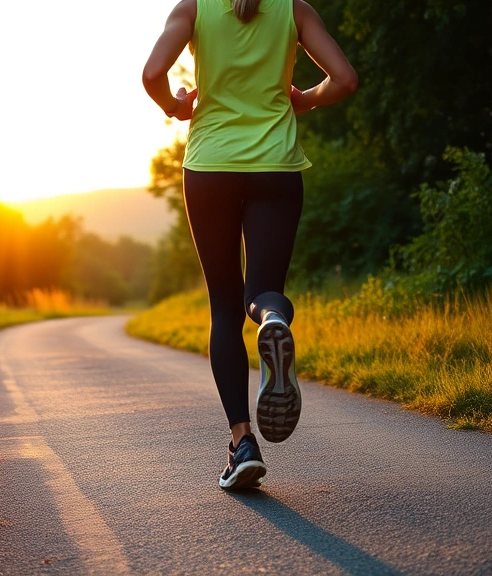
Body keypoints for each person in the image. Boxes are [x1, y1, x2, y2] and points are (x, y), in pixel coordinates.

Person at [143, 0, 357, 490]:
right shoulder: (294, 11)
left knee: (223, 307)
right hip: (275, 169)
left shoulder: (194, 9)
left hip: (210, 168)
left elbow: (153, 72)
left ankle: (242, 443)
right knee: (261, 292)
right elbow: (344, 80)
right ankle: (274, 319)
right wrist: (306, 100)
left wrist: (177, 105)